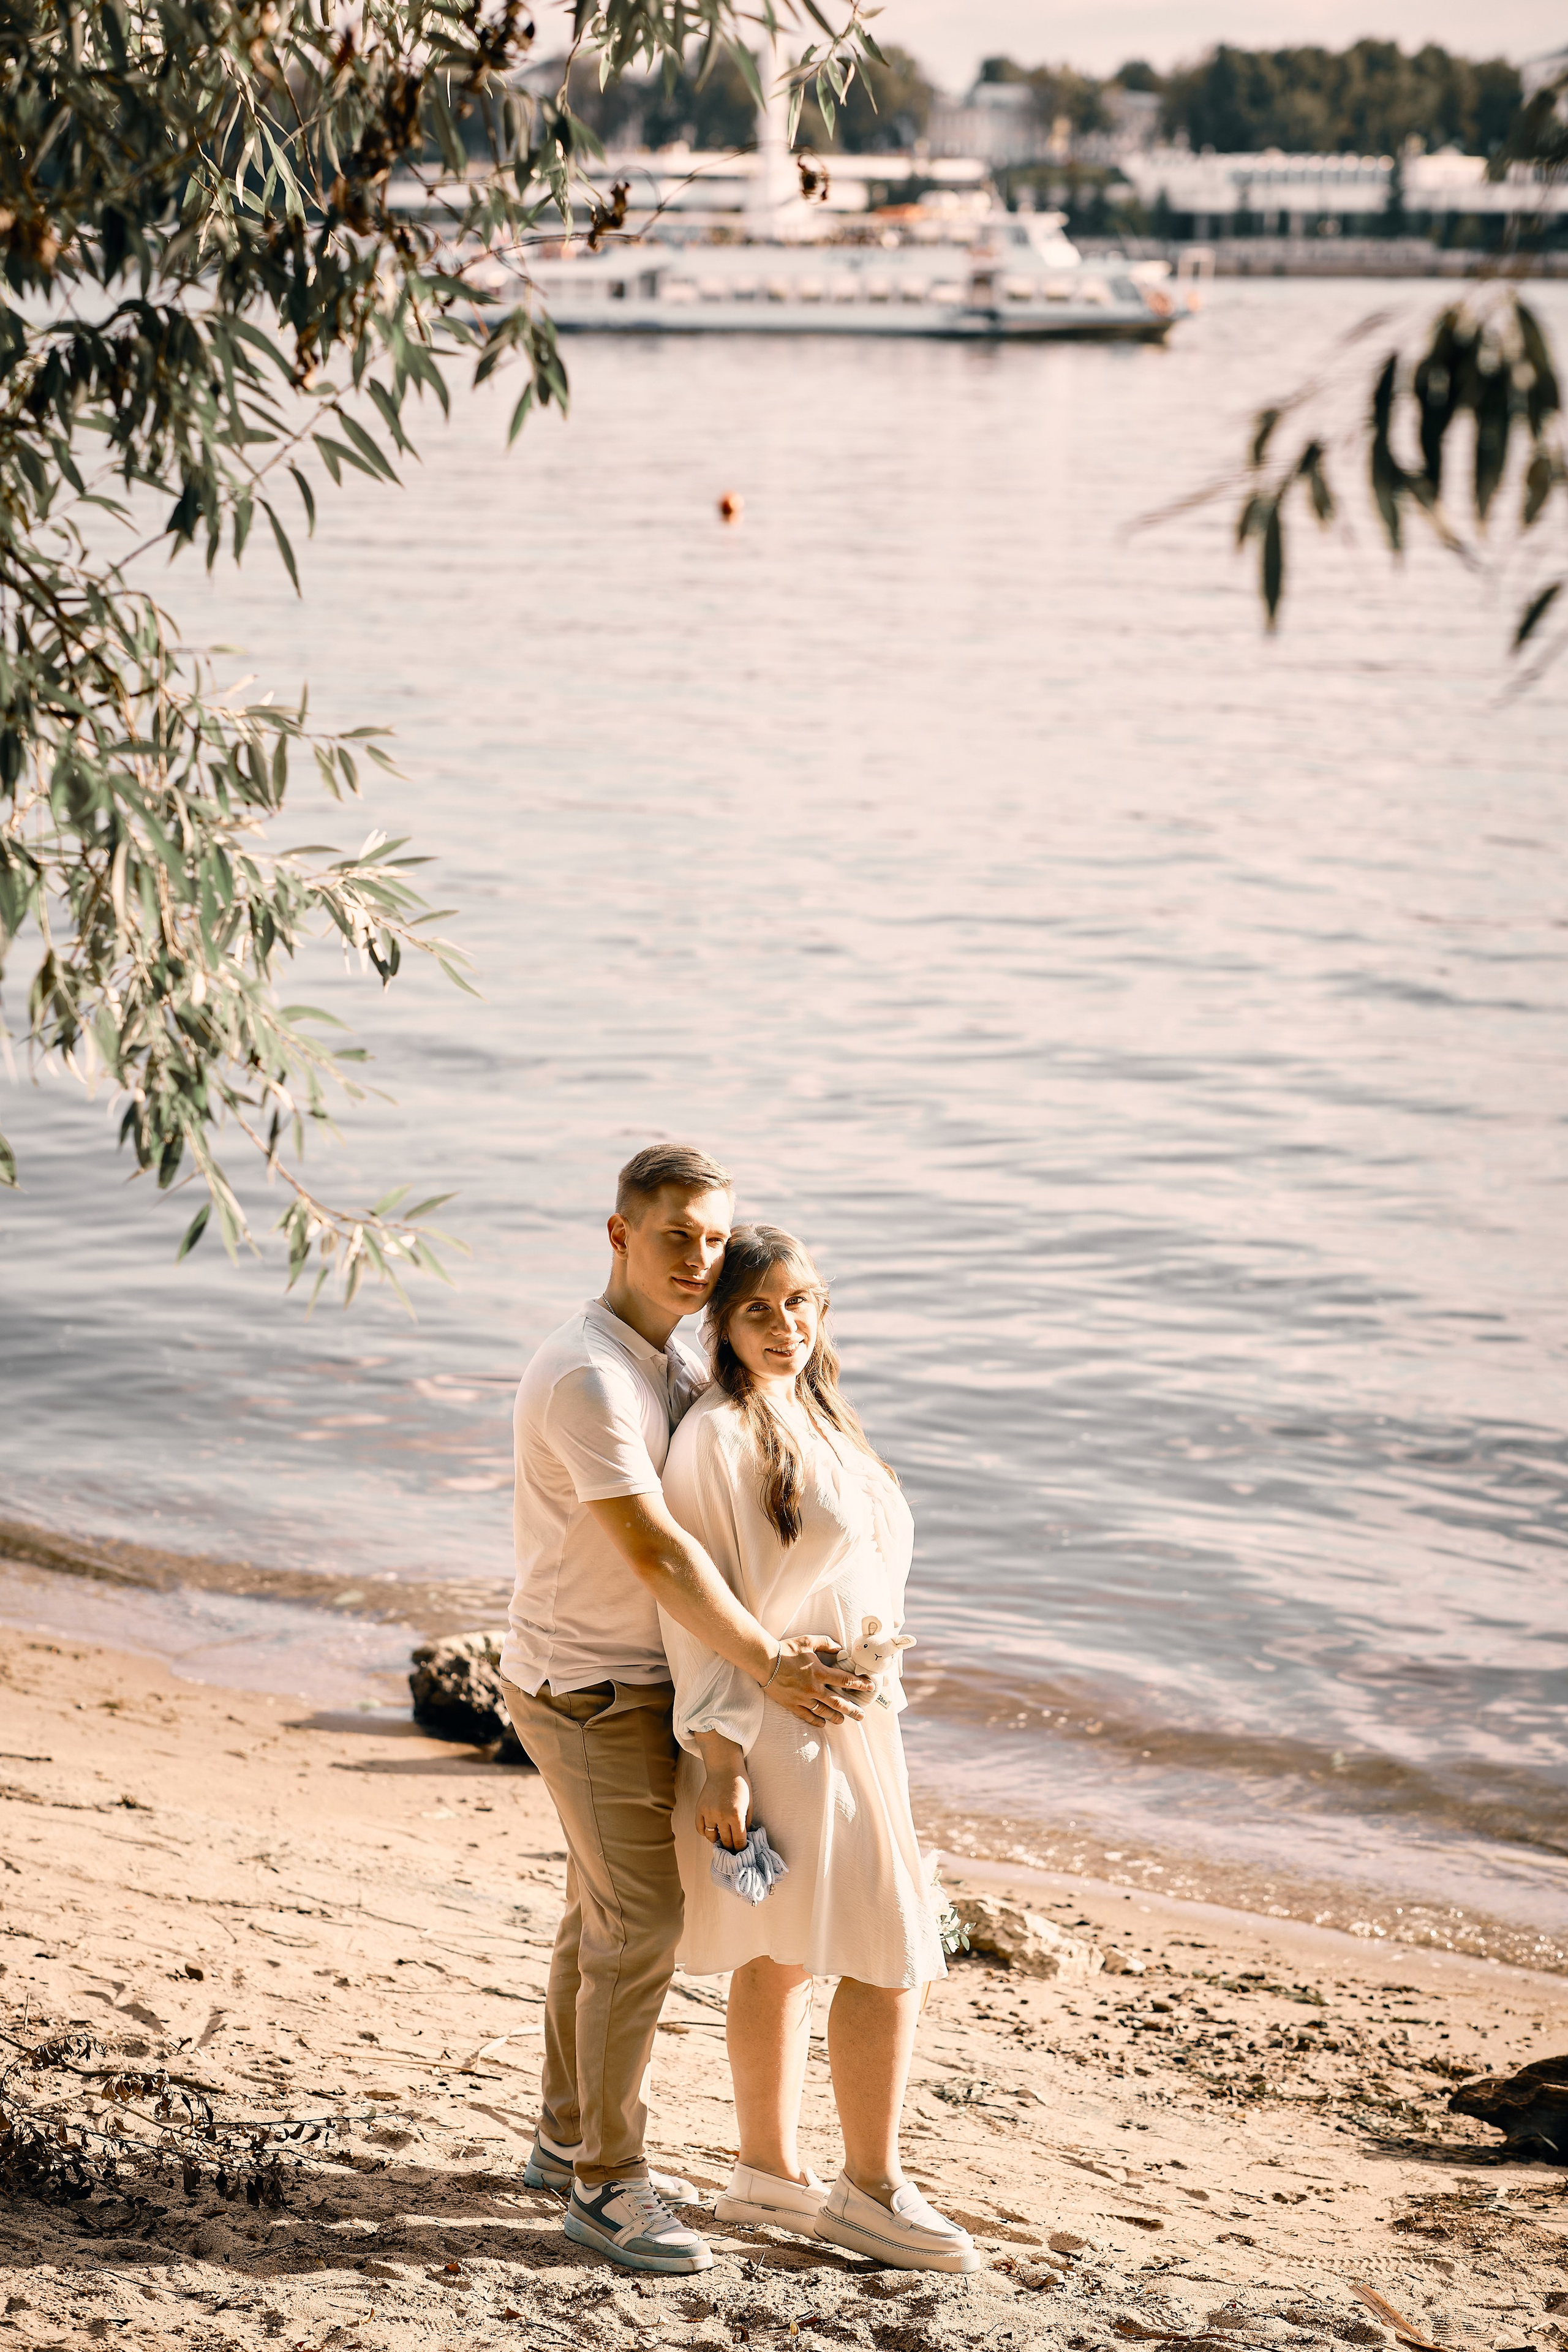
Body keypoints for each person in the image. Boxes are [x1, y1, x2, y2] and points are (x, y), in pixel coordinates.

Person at [498, 1148, 870, 2279]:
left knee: (598, 1913)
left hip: (638, 1680)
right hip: (588, 1687)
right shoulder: (592, 1378)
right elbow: (658, 1548)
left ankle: (567, 2137)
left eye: (716, 1239)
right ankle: (610, 2187)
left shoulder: (661, 1360)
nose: (701, 1259)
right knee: (639, 1927)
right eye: (677, 1238)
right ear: (619, 1237)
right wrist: (767, 1664)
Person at [658, 1224, 979, 2275]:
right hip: (775, 1725)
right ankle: (873, 2187)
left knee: (787, 1949)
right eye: (757, 1308)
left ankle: (764, 2173)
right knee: (893, 1953)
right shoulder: (716, 1435)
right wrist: (718, 1753)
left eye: (801, 1303)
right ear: (720, 1322)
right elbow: (699, 1607)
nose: (785, 1325)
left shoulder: (820, 1415)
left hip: (854, 1719)